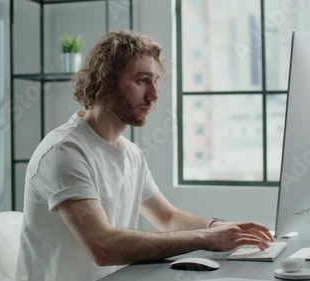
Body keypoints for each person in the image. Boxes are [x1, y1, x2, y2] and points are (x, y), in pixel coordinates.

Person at [15, 30, 273, 281]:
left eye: (155, 80)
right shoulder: (65, 151)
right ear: (106, 81)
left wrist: (215, 227)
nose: (154, 95)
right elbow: (103, 246)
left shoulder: (131, 153)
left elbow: (167, 217)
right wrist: (205, 240)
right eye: (141, 80)